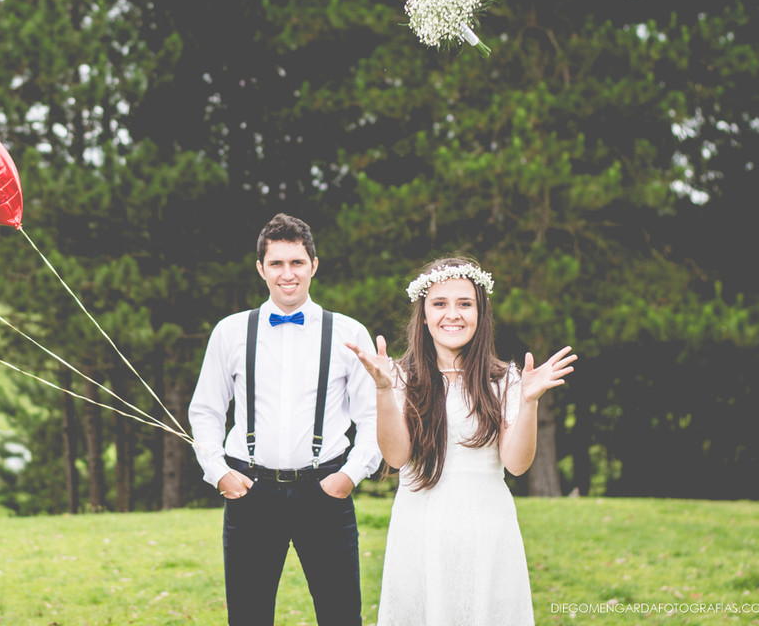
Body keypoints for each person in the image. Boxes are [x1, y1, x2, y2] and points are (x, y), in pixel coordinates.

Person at [347, 256, 578, 626]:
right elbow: (396, 454)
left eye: (464, 304)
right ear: (423, 315)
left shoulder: (503, 380)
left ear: (480, 313)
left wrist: (529, 402)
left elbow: (516, 464)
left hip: (488, 528)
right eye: (439, 304)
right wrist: (383, 392)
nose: (452, 314)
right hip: (419, 528)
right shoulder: (400, 377)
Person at [189, 213, 383, 626]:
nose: (287, 274)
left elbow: (374, 417)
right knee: (248, 615)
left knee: (341, 615)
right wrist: (218, 472)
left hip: (326, 490)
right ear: (261, 269)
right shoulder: (230, 332)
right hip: (250, 491)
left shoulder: (349, 333)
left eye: (296, 262)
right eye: (276, 263)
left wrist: (349, 475)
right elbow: (206, 409)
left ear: (314, 265)